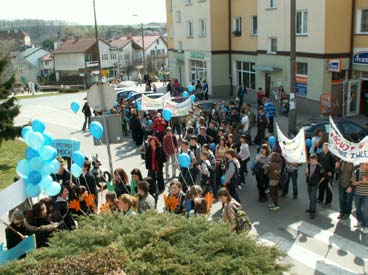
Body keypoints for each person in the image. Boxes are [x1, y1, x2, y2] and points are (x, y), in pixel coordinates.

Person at [349, 162, 368, 233]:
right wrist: (361, 181)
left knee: (366, 211)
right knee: (358, 209)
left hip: (367, 195)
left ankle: (365, 226)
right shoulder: (356, 172)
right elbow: (353, 183)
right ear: (361, 165)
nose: (367, 166)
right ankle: (360, 221)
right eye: (365, 165)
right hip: (358, 194)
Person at [305, 154, 325, 219]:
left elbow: (323, 175)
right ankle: (311, 208)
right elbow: (307, 174)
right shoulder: (308, 165)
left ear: (316, 160)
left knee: (313, 198)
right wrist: (306, 173)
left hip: (314, 184)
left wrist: (319, 182)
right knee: (310, 197)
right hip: (309, 183)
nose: (311, 161)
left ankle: (313, 212)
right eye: (311, 160)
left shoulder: (319, 166)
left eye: (313, 160)